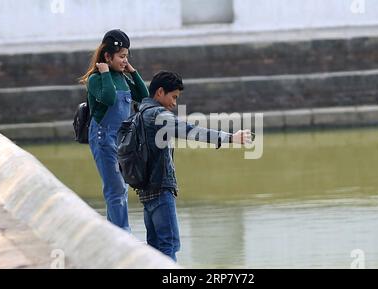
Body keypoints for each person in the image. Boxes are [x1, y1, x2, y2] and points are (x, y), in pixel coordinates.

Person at [138, 71, 252, 261]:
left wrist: (133, 73)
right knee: (169, 245)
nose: (174, 103)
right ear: (159, 92)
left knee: (155, 247)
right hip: (160, 189)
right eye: (173, 97)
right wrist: (230, 138)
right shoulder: (157, 115)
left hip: (145, 191)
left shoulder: (140, 112)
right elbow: (190, 131)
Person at [79, 29, 149, 232]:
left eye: (127, 56)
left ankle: (115, 231)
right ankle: (122, 233)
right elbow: (108, 98)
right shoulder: (95, 79)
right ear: (107, 56)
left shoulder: (123, 77)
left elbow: (143, 96)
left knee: (122, 187)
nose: (125, 61)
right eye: (122, 56)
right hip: (103, 137)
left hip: (123, 139)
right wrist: (104, 73)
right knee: (115, 188)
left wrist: (133, 72)